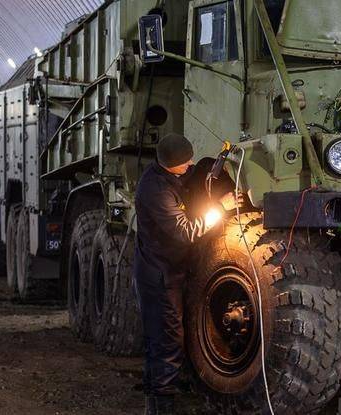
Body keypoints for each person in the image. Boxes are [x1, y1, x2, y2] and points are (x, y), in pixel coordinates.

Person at [134, 133, 237, 414]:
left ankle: (154, 395)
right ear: (170, 165)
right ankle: (161, 405)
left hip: (170, 269)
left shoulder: (172, 175)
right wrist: (220, 209)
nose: (190, 164)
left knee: (161, 338)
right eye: (185, 162)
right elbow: (185, 231)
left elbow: (195, 174)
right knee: (166, 340)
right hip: (159, 276)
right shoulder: (155, 190)